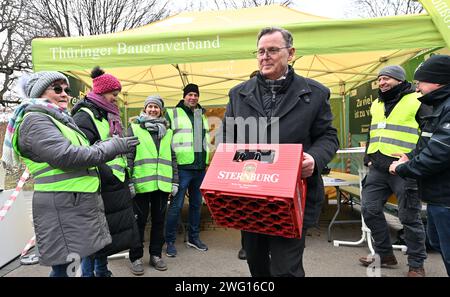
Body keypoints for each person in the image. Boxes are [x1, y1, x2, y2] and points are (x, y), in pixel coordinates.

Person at [221, 27, 339, 277]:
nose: (265, 56)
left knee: (286, 269)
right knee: (256, 264)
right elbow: (227, 140)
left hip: (292, 198)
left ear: (291, 53)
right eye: (261, 51)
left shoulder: (314, 93)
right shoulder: (238, 94)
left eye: (273, 50)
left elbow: (328, 136)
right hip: (249, 196)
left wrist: (314, 159)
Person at [1, 71, 139, 277]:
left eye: (66, 89)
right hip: (63, 206)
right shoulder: (35, 120)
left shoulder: (58, 120)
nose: (65, 94)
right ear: (39, 93)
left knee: (74, 264)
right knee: (66, 268)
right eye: (57, 89)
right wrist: (113, 146)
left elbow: (82, 148)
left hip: (74, 203)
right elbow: (67, 156)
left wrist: (108, 145)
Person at [359, 65, 429, 277]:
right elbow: (374, 130)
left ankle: (416, 264)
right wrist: (368, 157)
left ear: (399, 80)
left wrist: (413, 157)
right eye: (380, 79)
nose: (382, 83)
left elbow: (428, 133)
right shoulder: (377, 103)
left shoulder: (417, 99)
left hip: (404, 169)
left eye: (387, 78)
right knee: (369, 209)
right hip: (378, 168)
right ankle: (385, 255)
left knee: (409, 217)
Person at [71, 66, 140, 277]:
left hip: (111, 183)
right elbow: (84, 154)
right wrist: (109, 175)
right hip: (98, 184)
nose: (116, 99)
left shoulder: (107, 115)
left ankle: (102, 272)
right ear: (101, 92)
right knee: (93, 238)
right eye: (114, 94)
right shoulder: (84, 117)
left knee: (104, 234)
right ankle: (89, 274)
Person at [390, 54, 450, 276]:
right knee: (437, 243)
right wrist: (409, 156)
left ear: (437, 80)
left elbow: (439, 154)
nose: (417, 89)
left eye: (420, 83)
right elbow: (429, 145)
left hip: (446, 198)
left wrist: (403, 168)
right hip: (438, 197)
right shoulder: (441, 106)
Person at [127, 95, 179, 274]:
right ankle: (135, 257)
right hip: (141, 185)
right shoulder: (134, 128)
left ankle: (156, 255)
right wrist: (129, 181)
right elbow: (129, 156)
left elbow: (172, 158)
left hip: (162, 185)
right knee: (138, 223)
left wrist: (175, 181)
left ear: (161, 110)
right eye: (150, 106)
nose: (152, 110)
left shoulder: (168, 131)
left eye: (156, 107)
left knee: (159, 222)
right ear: (144, 108)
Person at [164, 83, 211, 257]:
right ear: (184, 96)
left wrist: (206, 162)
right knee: (175, 206)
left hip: (199, 168)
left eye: (196, 95)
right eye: (190, 94)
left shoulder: (201, 114)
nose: (193, 98)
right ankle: (169, 241)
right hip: (182, 168)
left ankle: (193, 238)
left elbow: (203, 141)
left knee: (196, 205)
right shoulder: (173, 113)